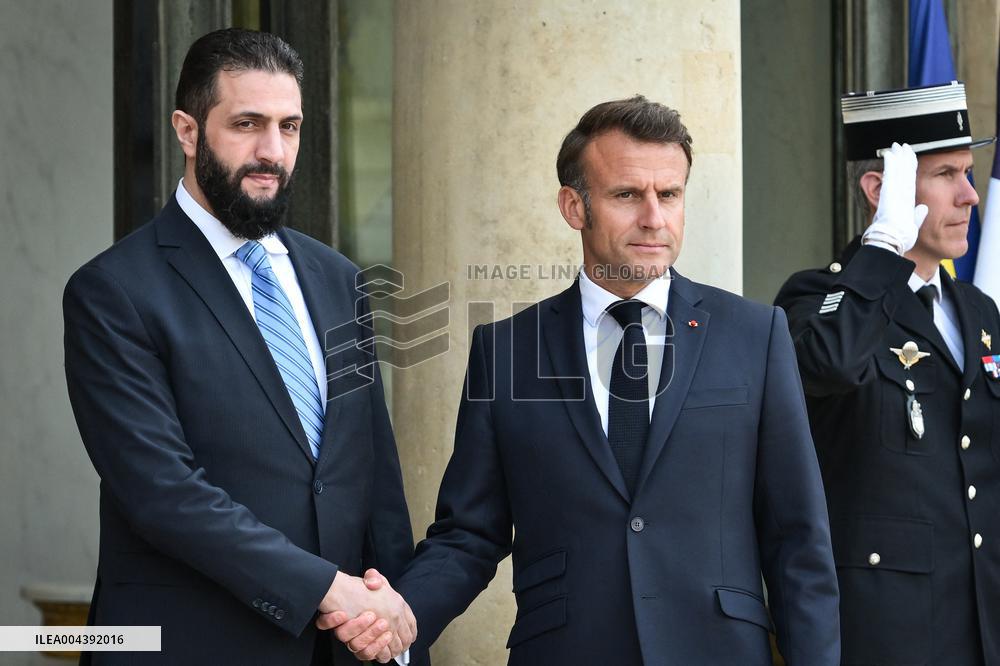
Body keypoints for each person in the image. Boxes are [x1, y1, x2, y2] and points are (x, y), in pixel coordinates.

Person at [332, 95, 840, 664]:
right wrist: (401, 616)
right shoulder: (505, 350)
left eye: (669, 195)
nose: (654, 217)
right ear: (575, 207)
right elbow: (469, 534)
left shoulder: (755, 335)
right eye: (627, 195)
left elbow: (799, 540)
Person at [64, 28, 416, 665]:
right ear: (188, 130)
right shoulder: (112, 291)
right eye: (247, 123)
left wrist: (395, 635)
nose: (272, 151)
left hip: (340, 650)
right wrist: (327, 590)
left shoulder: (339, 280)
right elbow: (163, 493)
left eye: (290, 126)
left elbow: (373, 478)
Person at [774, 81, 999, 664]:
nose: (970, 196)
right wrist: (882, 249)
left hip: (981, 624)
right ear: (880, 190)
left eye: (968, 173)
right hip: (886, 633)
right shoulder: (818, 295)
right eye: (946, 175)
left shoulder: (978, 311)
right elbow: (827, 365)